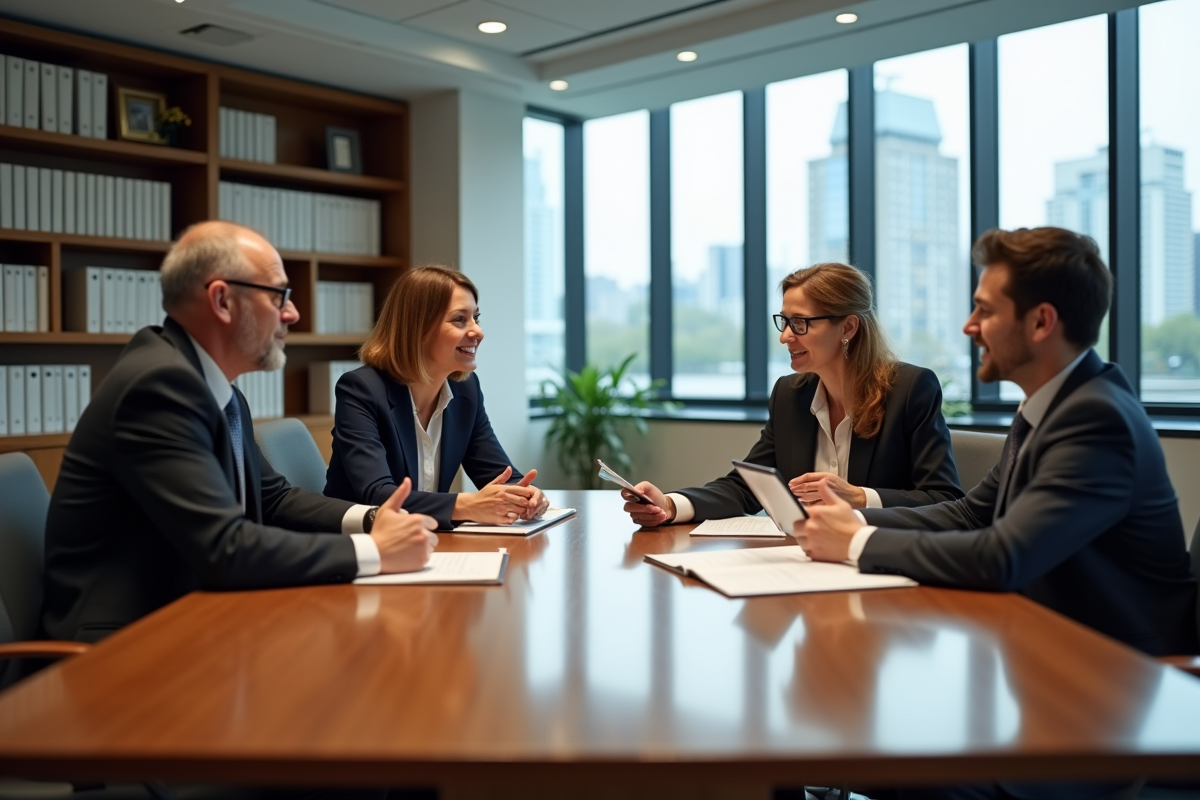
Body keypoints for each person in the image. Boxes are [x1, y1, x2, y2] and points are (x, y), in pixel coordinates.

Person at [798, 227, 1198, 800]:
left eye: (984, 310)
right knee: (841, 724)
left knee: (851, 741)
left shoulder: (1096, 421)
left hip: (1109, 705)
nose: (968, 326)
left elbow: (1004, 555)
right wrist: (855, 523)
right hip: (1047, 668)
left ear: (1040, 323)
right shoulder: (1051, 407)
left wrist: (856, 546)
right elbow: (968, 513)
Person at [42, 221, 438, 646]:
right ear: (222, 300)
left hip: (196, 612)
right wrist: (375, 552)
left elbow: (273, 498)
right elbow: (225, 547)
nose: (292, 313)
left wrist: (374, 519)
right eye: (278, 295)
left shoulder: (217, 388)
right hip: (123, 643)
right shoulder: (158, 387)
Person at [622, 262, 963, 528]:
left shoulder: (911, 389)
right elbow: (746, 486)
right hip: (805, 562)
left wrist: (860, 497)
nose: (786, 337)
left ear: (848, 327)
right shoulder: (790, 394)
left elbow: (944, 498)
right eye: (784, 321)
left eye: (800, 323)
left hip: (882, 565)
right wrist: (669, 505)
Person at [324, 265, 548, 530]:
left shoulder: (466, 391)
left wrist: (526, 496)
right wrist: (468, 505)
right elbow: (378, 496)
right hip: (359, 546)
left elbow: (498, 475)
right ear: (417, 328)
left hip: (427, 541)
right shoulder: (361, 390)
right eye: (459, 320)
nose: (478, 331)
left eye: (476, 317)